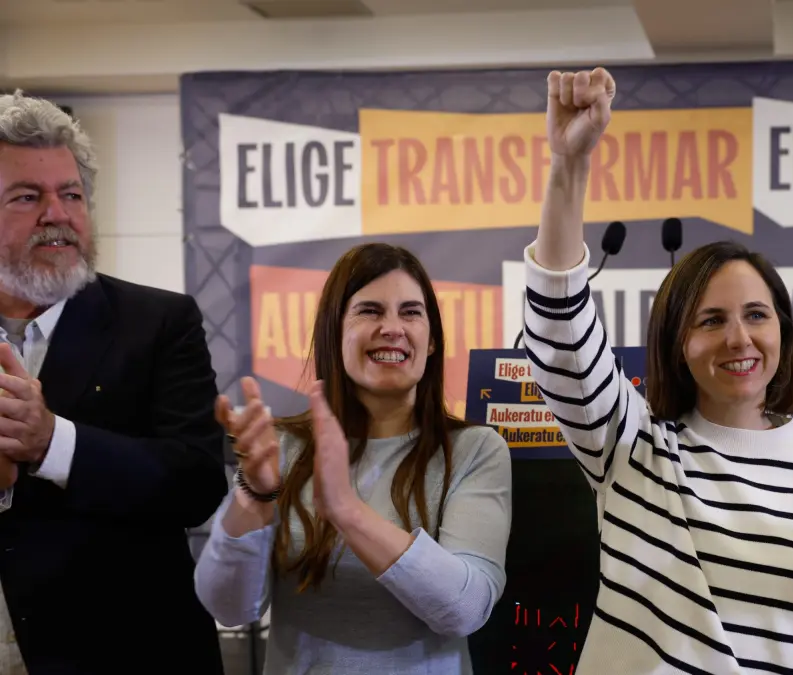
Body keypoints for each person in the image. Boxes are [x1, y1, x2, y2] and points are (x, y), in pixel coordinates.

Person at [521, 66, 793, 674]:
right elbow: (559, 332)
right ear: (676, 343)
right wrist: (569, 164)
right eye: (711, 320)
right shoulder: (632, 446)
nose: (739, 339)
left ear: (783, 330)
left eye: (756, 315)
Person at [194, 243, 513, 674]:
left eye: (411, 313)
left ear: (432, 340)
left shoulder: (475, 449)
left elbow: (466, 609)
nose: (393, 328)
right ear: (334, 332)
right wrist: (254, 496)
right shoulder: (283, 447)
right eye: (370, 311)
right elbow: (229, 608)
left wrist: (346, 510)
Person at [0, 91, 229, 674]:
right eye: (27, 196)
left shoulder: (158, 322)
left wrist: (52, 442)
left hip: (120, 654)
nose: (57, 214)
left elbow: (197, 482)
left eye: (71, 194)